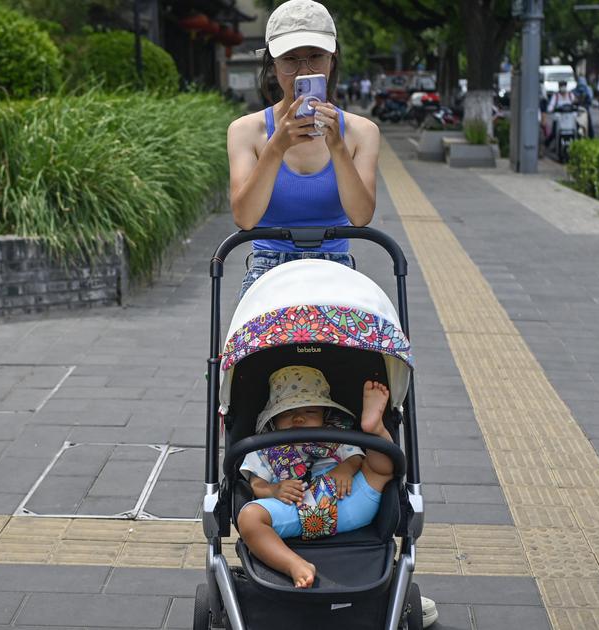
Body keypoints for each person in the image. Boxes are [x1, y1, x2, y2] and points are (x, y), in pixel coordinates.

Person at [226, 0, 380, 297]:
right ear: (272, 64)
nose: (303, 70)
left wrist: (337, 147)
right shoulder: (247, 131)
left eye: (315, 56)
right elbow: (245, 218)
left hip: (336, 269)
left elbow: (361, 216)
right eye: (290, 59)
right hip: (267, 273)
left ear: (332, 59)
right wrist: (276, 147)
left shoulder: (361, 132)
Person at [237, 366, 395, 588]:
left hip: (345, 500)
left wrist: (346, 469)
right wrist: (274, 490)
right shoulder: (264, 446)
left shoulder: (336, 436)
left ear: (325, 414)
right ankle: (294, 564)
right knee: (249, 518)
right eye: (287, 412)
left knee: (380, 470)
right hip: (294, 507)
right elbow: (257, 484)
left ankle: (375, 429)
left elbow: (357, 458)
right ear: (273, 419)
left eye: (310, 412)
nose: (299, 418)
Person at [542, 80, 577, 146]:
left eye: (564, 86)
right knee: (554, 133)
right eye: (561, 86)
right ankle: (546, 145)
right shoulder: (556, 96)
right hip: (559, 119)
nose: (563, 87)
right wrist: (552, 109)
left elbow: (575, 105)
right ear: (559, 87)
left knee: (578, 131)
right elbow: (551, 106)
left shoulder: (570, 95)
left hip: (570, 119)